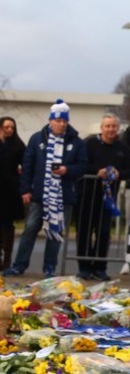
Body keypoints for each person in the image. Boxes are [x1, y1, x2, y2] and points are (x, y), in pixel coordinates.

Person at [6, 99, 88, 277]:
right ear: (50, 120)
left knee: (55, 232)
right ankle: (19, 265)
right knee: (30, 229)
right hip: (39, 194)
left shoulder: (76, 142)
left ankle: (49, 268)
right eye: (58, 121)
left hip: (63, 195)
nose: (61, 124)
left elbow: (83, 166)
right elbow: (28, 165)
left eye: (64, 121)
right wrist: (25, 189)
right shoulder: (37, 138)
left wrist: (68, 170)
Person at [75, 114, 130, 280]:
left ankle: (100, 268)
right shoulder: (89, 144)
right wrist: (96, 172)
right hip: (87, 196)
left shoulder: (123, 148)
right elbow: (81, 165)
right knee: (84, 231)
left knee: (104, 233)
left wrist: (119, 173)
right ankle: (84, 267)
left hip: (108, 199)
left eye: (114, 126)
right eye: (107, 126)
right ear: (101, 128)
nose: (111, 129)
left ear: (118, 128)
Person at [0, 117, 26, 271]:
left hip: (11, 189)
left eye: (12, 127)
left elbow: (26, 163)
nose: (9, 130)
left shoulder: (18, 145)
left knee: (8, 224)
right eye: (7, 127)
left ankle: (8, 258)